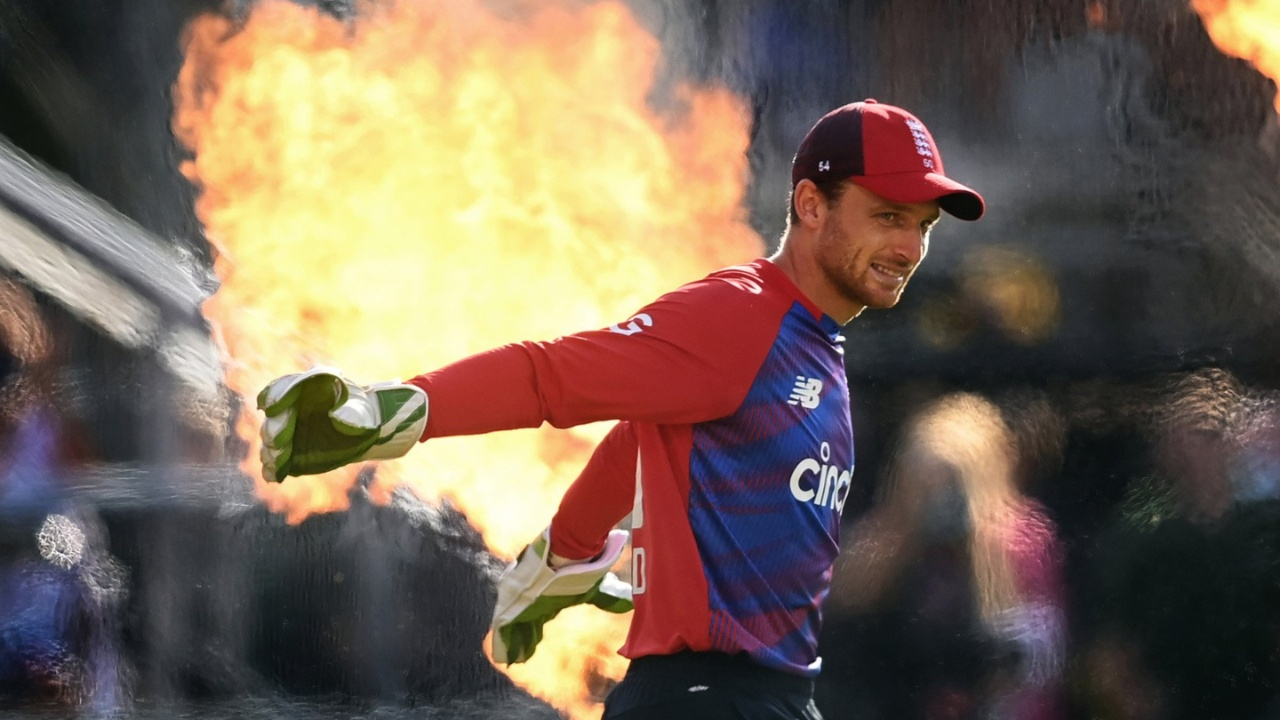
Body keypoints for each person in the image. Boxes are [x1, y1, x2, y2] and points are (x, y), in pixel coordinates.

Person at [256, 99, 985, 719]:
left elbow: (642, 441)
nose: (908, 246)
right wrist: (396, 411)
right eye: (888, 216)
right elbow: (553, 376)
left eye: (922, 226)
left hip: (764, 698)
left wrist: (562, 554)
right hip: (705, 701)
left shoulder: (813, 341)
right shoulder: (740, 314)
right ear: (810, 205)